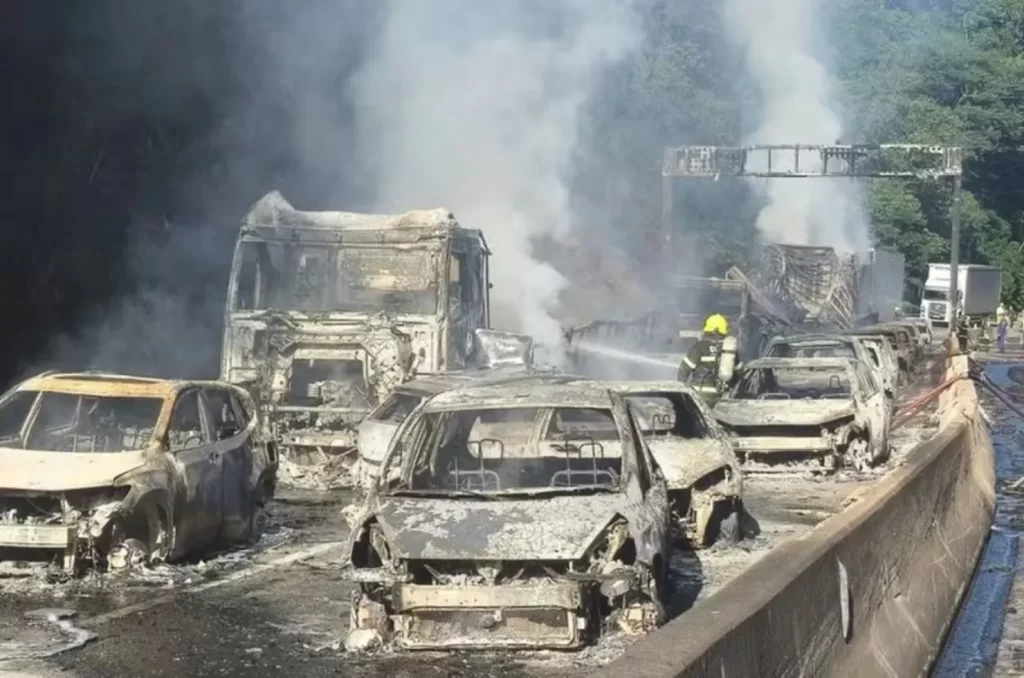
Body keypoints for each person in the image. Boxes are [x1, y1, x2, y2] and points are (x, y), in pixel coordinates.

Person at [678, 313, 729, 384]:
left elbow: (684, 369)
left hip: (700, 391)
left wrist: (681, 389)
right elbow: (739, 373)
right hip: (723, 392)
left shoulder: (700, 347)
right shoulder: (729, 348)